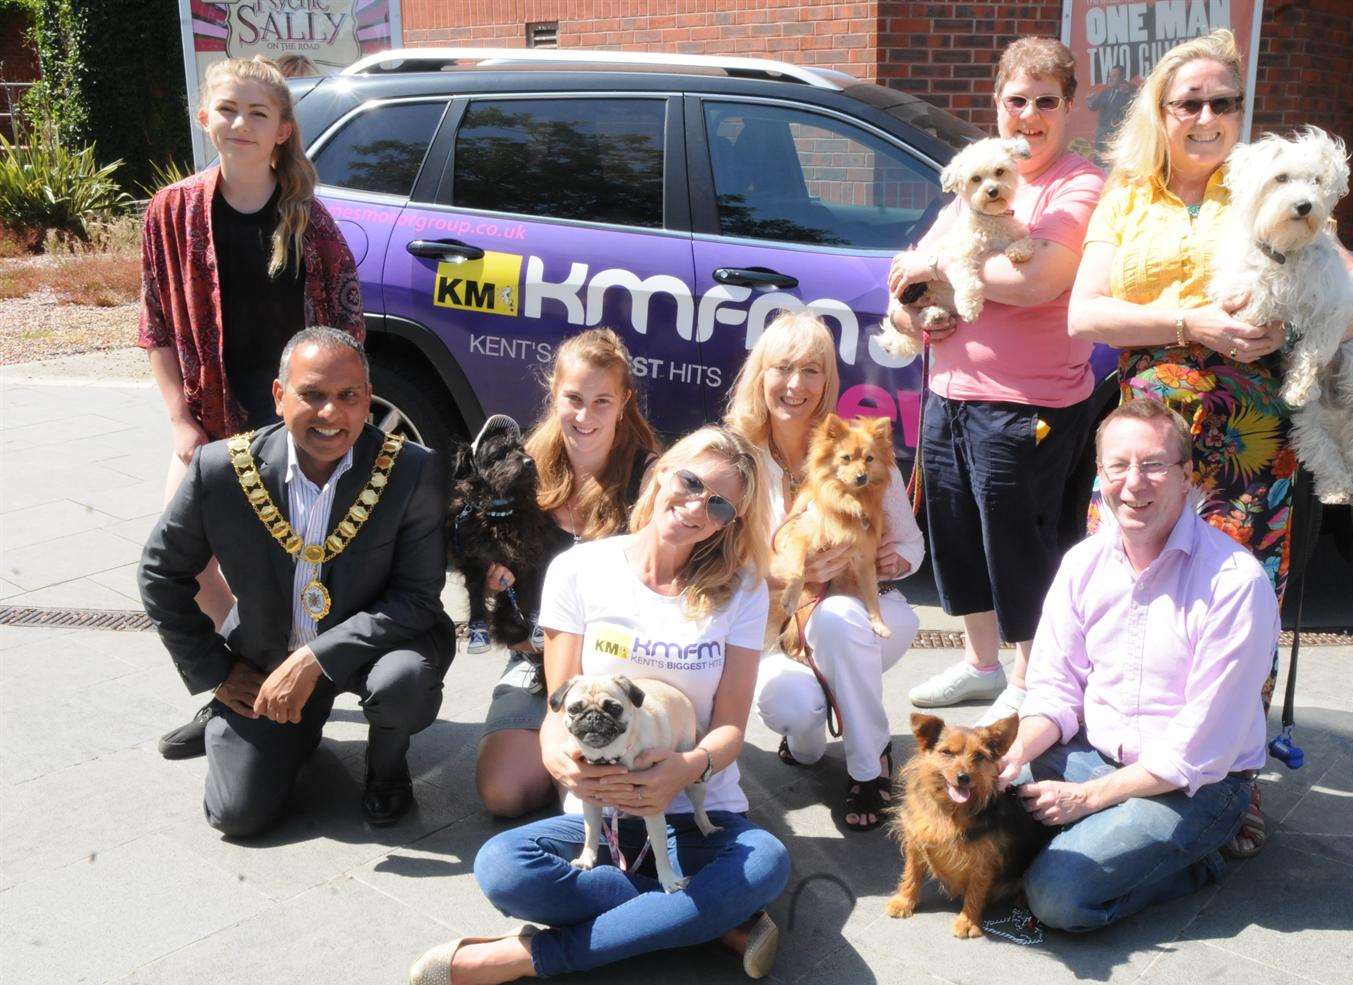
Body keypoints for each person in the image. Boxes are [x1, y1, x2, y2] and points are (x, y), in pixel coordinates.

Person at [1066, 28, 1353, 855]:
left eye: (1224, 102)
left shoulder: (1273, 184)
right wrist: (1187, 320)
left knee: (1237, 603)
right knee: (1129, 588)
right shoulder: (1127, 195)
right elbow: (1084, 314)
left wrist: (1293, 326)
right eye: (1190, 102)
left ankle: (1231, 777)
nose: (1207, 116)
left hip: (1255, 435)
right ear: (1162, 112)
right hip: (1149, 433)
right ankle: (1114, 751)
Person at [412, 427, 789, 984]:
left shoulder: (743, 587)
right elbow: (557, 712)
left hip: (695, 816)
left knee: (766, 863)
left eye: (718, 504)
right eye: (689, 483)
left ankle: (528, 957)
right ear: (661, 471)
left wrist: (687, 768)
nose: (694, 508)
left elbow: (730, 727)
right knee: (501, 868)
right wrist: (560, 760)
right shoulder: (581, 569)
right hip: (600, 816)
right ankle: (707, 918)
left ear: (730, 521)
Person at [138, 328, 455, 834]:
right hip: (267, 653)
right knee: (236, 816)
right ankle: (278, 725)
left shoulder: (411, 471)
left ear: (367, 399)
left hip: (376, 648)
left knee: (404, 683)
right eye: (312, 395)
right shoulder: (221, 469)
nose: (332, 414)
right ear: (280, 396)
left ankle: (388, 765)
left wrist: (314, 659)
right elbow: (159, 572)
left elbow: (417, 600)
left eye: (349, 396)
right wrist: (216, 670)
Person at [140, 55, 364, 761]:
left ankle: (294, 685)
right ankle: (234, 684)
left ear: (282, 131)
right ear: (204, 116)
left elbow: (347, 331)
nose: (240, 123)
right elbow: (158, 327)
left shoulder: (310, 224)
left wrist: (332, 422)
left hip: (295, 431)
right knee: (179, 562)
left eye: (257, 113)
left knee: (288, 571)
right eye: (228, 109)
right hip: (212, 426)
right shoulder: (171, 213)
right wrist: (180, 418)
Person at [997, 398, 1279, 931]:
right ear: (1098, 474)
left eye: (1152, 465)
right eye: (1118, 466)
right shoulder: (1082, 563)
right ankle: (1105, 834)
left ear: (1186, 476)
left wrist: (1087, 799)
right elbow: (1054, 689)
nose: (1134, 483)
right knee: (977, 816)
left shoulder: (1235, 582)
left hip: (1196, 785)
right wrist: (1011, 756)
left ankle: (1203, 857)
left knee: (1058, 894)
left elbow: (1200, 745)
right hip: (1090, 754)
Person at [887, 36, 1105, 723]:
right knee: (954, 537)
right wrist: (915, 309)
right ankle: (983, 664)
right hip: (949, 393)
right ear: (998, 105)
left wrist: (941, 275)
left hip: (1029, 401)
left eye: (1046, 102)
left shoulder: (1080, 184)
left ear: (1068, 109)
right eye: (1018, 101)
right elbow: (909, 275)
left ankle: (1031, 676)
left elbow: (1040, 278)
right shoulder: (972, 179)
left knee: (1019, 541)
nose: (1030, 115)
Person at [727, 312, 924, 832]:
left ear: (827, 380)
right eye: (783, 368)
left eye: (812, 370)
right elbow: (712, 562)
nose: (796, 385)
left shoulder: (858, 448)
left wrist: (895, 559)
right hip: (777, 628)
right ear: (760, 374)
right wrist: (782, 570)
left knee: (839, 619)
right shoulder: (734, 458)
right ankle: (815, 727)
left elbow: (913, 544)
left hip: (863, 611)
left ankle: (869, 766)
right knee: (798, 716)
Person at [474, 328, 660, 819]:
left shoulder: (649, 479)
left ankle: (583, 782)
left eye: (602, 401)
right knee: (503, 793)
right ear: (553, 394)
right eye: (574, 399)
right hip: (538, 660)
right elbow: (490, 581)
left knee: (595, 793)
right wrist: (492, 585)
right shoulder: (520, 473)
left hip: (620, 664)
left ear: (624, 402)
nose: (585, 415)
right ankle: (561, 768)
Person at [1085, 65, 1135, 160]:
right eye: (1110, 76)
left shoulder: (1129, 92)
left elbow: (1139, 104)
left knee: (1115, 164)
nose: (1110, 79)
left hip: (1117, 137)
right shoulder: (1105, 93)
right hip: (1101, 137)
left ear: (1122, 77)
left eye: (1114, 76)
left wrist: (1131, 92)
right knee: (1099, 163)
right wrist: (1089, 101)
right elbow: (1093, 106)